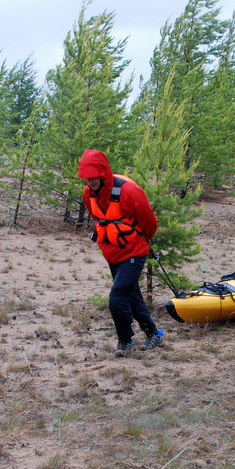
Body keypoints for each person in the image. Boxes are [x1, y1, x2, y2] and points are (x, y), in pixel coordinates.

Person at [77, 149, 163, 357]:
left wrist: (139, 242)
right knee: (131, 296)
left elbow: (149, 222)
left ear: (103, 172)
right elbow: (98, 219)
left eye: (93, 175)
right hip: (111, 252)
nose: (90, 181)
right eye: (86, 177)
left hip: (134, 251)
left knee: (117, 300)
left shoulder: (128, 191)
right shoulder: (88, 193)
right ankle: (154, 333)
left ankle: (124, 339)